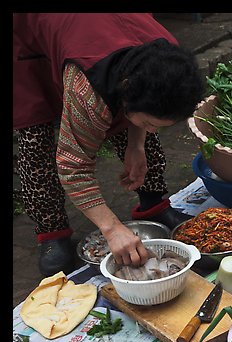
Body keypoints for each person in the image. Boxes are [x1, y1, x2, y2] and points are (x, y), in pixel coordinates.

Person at [13, 13, 205, 276]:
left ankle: (153, 204)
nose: (152, 130)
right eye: (150, 123)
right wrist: (111, 228)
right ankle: (51, 233)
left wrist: (137, 145)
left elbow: (144, 106)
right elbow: (73, 166)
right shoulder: (86, 92)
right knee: (35, 137)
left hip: (100, 33)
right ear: (126, 89)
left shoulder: (166, 58)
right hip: (32, 30)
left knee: (144, 121)